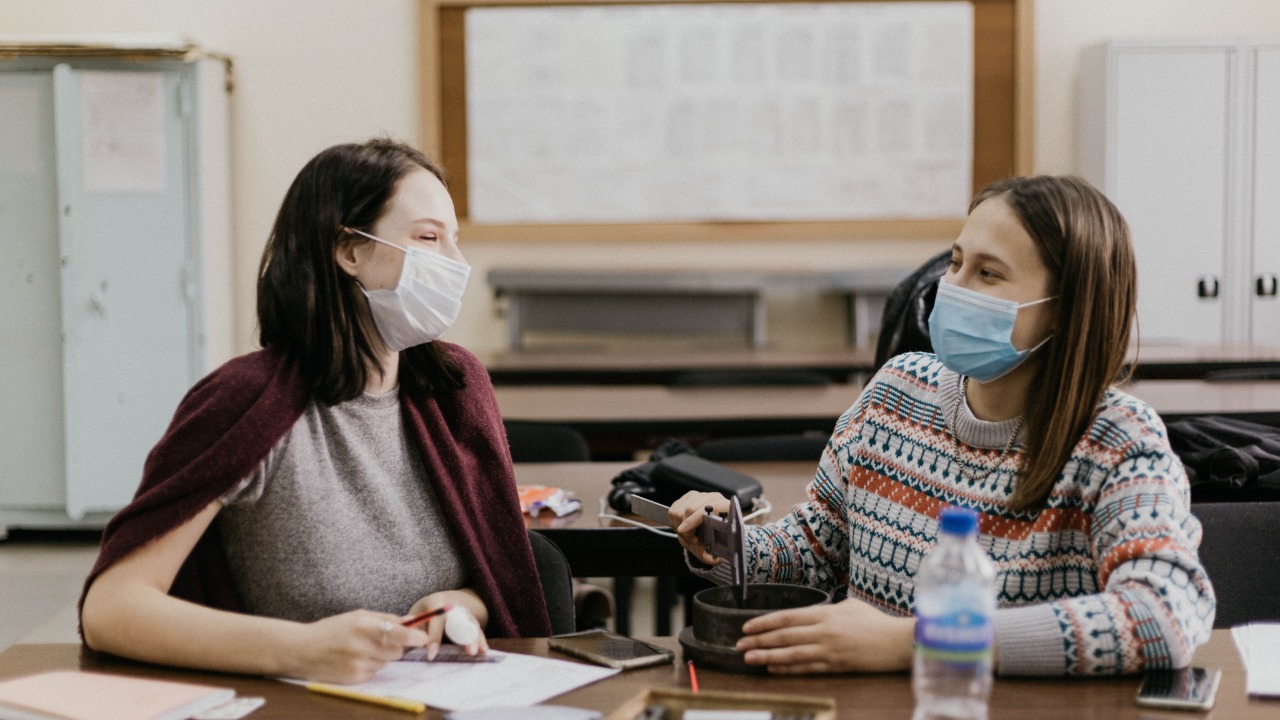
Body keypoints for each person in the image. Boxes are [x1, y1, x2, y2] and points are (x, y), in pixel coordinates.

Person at [672, 175, 1215, 676]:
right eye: (955, 262)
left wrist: (912, 643)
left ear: (1064, 308)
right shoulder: (894, 392)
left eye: (988, 272)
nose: (951, 286)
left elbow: (1161, 616)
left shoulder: (1118, 438)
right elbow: (816, 550)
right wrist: (732, 544)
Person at [79, 138, 550, 683]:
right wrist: (298, 649)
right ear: (349, 250)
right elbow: (112, 608)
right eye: (428, 237)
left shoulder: (454, 388)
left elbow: (500, 573)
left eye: (454, 240)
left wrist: (465, 603)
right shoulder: (245, 402)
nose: (456, 264)